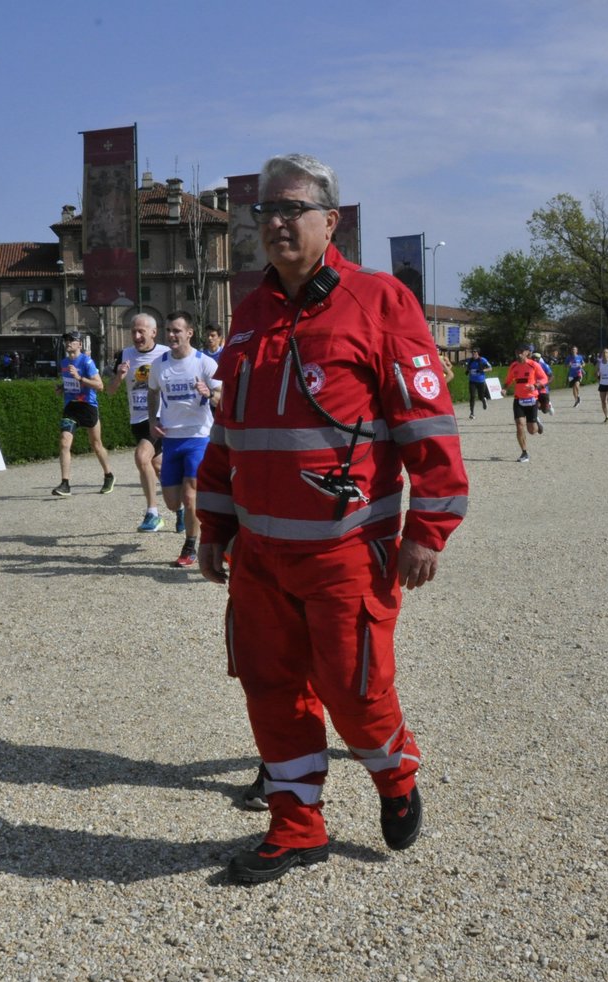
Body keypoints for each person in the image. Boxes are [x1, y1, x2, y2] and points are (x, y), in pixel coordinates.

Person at [196, 153, 468, 884]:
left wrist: (427, 529)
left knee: (355, 690)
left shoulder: (381, 302)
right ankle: (297, 824)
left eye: (291, 208)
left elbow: (430, 427)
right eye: (264, 212)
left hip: (348, 550)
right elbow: (230, 431)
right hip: (259, 556)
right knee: (269, 685)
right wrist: (214, 522)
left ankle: (395, 770)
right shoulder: (249, 312)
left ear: (330, 220)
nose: (275, 223)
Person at [147, 311, 220, 568]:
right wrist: (152, 421)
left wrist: (209, 392)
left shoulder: (204, 363)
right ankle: (179, 515)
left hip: (199, 436)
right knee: (172, 501)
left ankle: (190, 545)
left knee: (191, 496)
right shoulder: (160, 364)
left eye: (177, 330)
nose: (171, 335)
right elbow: (152, 392)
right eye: (169, 330)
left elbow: (222, 398)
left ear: (189, 333)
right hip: (171, 438)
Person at [108, 313, 172, 531]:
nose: (136, 336)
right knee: (159, 468)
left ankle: (152, 513)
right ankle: (181, 509)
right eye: (133, 331)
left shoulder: (166, 353)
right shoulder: (124, 355)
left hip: (159, 418)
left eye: (141, 331)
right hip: (137, 419)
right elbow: (110, 391)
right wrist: (119, 377)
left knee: (141, 456)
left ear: (153, 332)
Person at [49, 329, 115, 497]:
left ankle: (109, 475)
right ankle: (65, 484)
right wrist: (62, 387)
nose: (68, 343)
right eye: (66, 340)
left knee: (96, 445)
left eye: (72, 340)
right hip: (71, 406)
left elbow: (100, 386)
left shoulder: (87, 362)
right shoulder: (64, 362)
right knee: (64, 442)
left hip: (88, 406)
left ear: (79, 344)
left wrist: (79, 378)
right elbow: (70, 382)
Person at [503, 342, 549, 461]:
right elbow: (508, 380)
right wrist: (504, 388)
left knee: (532, 430)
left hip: (532, 399)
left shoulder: (534, 365)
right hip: (518, 399)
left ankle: (537, 424)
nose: (518, 354)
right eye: (517, 352)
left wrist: (536, 385)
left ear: (527, 353)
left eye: (521, 352)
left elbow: (544, 378)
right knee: (519, 425)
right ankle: (524, 452)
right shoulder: (513, 366)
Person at [463, 351, 492, 418]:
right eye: (473, 354)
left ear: (478, 354)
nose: (474, 355)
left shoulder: (483, 360)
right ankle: (472, 413)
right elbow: (468, 367)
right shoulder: (470, 360)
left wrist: (482, 370)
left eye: (475, 353)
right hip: (472, 381)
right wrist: (467, 371)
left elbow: (490, 368)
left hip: (481, 381)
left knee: (480, 397)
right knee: (472, 396)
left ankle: (483, 400)